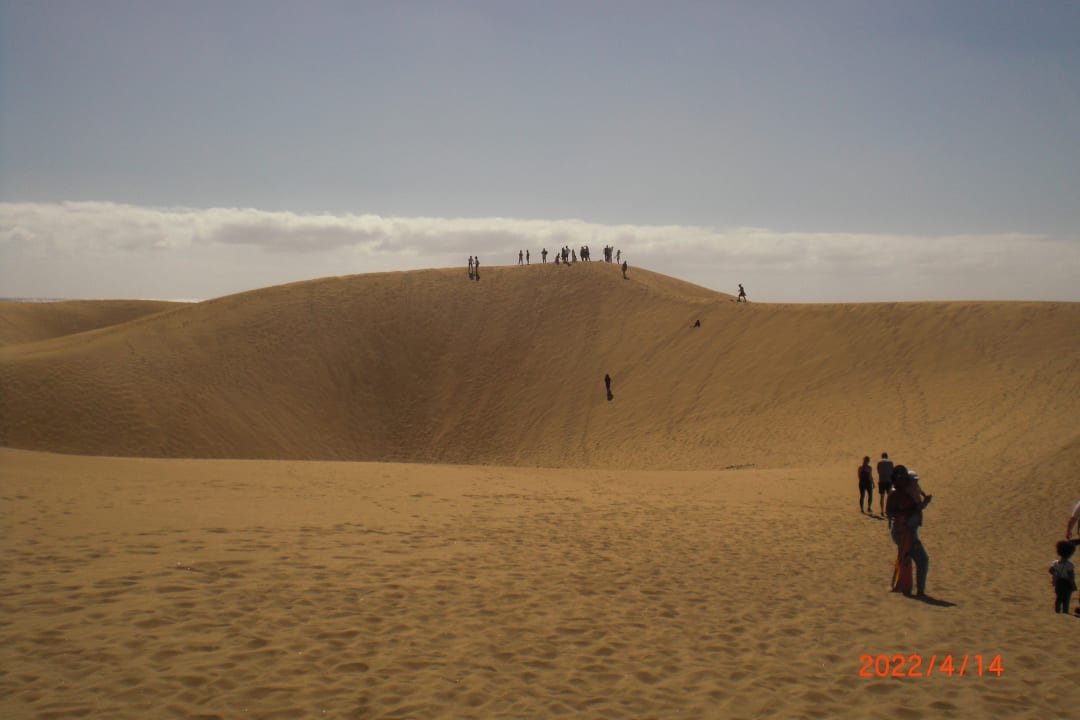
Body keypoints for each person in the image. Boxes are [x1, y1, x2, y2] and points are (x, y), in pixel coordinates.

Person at [886, 465, 932, 597]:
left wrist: (924, 503)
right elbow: (890, 512)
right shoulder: (895, 493)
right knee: (922, 559)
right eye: (900, 477)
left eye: (904, 477)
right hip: (904, 532)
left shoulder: (909, 492)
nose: (903, 480)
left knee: (905, 557)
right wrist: (909, 511)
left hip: (908, 531)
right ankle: (918, 591)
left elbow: (915, 509)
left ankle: (900, 585)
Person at [1049, 540, 1077, 614]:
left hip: (1058, 582)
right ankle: (1065, 611)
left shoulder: (1055, 562)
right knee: (1066, 599)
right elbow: (1071, 576)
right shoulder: (1069, 565)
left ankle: (1057, 610)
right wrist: (1073, 585)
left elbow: (1051, 570)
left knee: (1059, 597)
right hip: (1066, 583)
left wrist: (1056, 574)